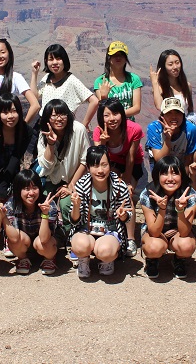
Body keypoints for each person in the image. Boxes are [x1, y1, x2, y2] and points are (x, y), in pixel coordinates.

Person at [68, 146, 132, 278]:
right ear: (88, 167)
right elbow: (75, 221)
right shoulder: (81, 185)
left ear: (110, 165)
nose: (100, 170)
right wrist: (76, 206)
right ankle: (83, 259)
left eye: (104, 165)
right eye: (95, 166)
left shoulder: (119, 185)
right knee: (80, 246)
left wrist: (123, 215)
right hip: (86, 229)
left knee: (105, 251)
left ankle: (106, 259)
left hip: (110, 230)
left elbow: (128, 216)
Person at [92, 98, 145, 257]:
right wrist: (102, 144)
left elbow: (130, 158)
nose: (112, 119)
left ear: (122, 114)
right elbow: (98, 161)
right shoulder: (98, 131)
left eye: (115, 113)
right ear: (101, 117)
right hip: (109, 164)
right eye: (107, 115)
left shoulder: (133, 129)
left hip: (132, 165)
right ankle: (107, 229)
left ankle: (130, 239)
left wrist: (126, 182)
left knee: (127, 195)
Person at [35, 99, 90, 245]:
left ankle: (70, 235)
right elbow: (45, 166)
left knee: (68, 204)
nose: (59, 119)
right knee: (42, 202)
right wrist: (51, 144)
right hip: (49, 179)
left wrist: (71, 185)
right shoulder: (43, 134)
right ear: (47, 118)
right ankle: (47, 234)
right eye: (53, 115)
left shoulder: (78, 130)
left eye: (63, 114)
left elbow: (85, 161)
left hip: (73, 178)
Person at [140, 156, 196, 279]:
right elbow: (154, 232)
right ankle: (152, 260)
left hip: (178, 233)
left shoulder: (190, 194)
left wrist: (180, 210)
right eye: (165, 174)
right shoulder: (148, 194)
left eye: (175, 173)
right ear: (157, 176)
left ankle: (179, 259)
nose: (170, 179)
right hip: (155, 233)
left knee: (186, 245)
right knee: (153, 247)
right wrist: (162, 208)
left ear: (182, 176)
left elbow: (184, 232)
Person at [0, 169, 59, 275]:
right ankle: (23, 258)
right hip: (25, 243)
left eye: (35, 188)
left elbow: (44, 238)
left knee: (41, 243)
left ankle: (50, 258)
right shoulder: (11, 204)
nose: (31, 193)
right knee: (14, 240)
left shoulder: (48, 204)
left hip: (44, 242)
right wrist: (4, 217)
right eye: (26, 189)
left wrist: (45, 214)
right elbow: (14, 238)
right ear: (18, 190)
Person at [30, 44, 99, 130]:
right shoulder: (47, 78)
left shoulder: (71, 80)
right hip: (42, 126)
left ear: (64, 60)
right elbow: (34, 97)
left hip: (61, 129)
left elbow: (94, 101)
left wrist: (84, 125)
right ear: (46, 61)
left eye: (58, 58)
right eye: (51, 59)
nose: (55, 62)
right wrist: (34, 74)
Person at [144, 97, 196, 172]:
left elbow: (189, 160)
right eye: (169, 113)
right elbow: (159, 159)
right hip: (159, 165)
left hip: (181, 163)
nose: (174, 116)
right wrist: (167, 139)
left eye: (178, 112)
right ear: (162, 116)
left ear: (183, 115)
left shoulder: (190, 129)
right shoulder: (154, 128)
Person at [93, 40, 142, 120]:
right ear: (109, 58)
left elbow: (137, 108)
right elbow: (103, 109)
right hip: (110, 124)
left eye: (121, 55)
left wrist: (118, 115)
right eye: (114, 55)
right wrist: (104, 96)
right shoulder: (100, 81)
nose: (118, 57)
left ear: (126, 58)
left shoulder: (133, 79)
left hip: (128, 124)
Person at [150, 48, 196, 124]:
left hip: (186, 126)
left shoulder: (186, 86)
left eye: (177, 62)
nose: (175, 67)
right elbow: (159, 106)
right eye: (170, 64)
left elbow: (190, 110)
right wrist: (155, 82)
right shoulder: (159, 88)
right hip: (169, 125)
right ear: (163, 67)